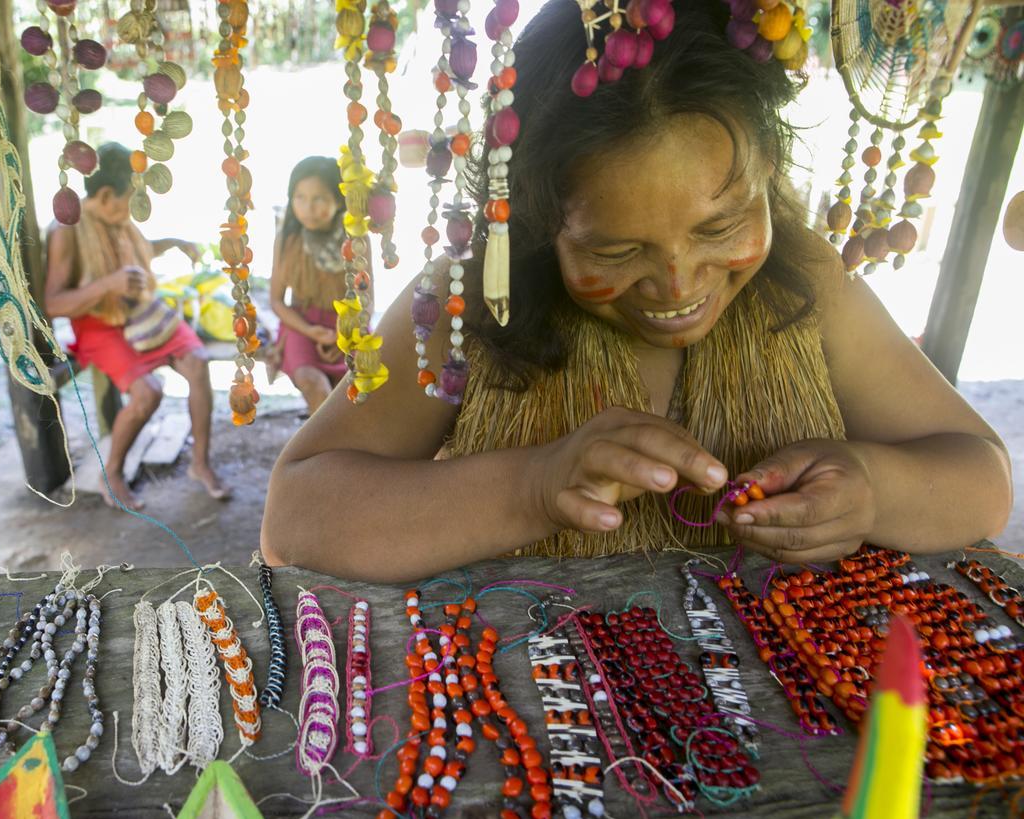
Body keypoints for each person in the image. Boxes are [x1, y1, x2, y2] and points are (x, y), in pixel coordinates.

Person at [261, 0, 1013, 581]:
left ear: (771, 178)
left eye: (721, 228)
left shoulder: (804, 281)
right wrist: (532, 487)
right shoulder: (466, 303)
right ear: (532, 221)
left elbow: (980, 477)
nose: (679, 283)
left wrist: (875, 490)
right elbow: (295, 516)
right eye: (615, 249)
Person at [45, 142, 230, 507]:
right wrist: (108, 285)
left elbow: (139, 250)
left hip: (144, 312)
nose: (136, 206)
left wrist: (174, 243)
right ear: (106, 194)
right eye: (131, 197)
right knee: (148, 393)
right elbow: (52, 302)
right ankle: (112, 471)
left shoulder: (118, 216)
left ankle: (200, 463)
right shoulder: (67, 226)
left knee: (197, 362)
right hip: (98, 324)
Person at [268, 156, 360, 414]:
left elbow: (367, 298)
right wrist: (312, 332)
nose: (307, 207)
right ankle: (325, 453)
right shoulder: (287, 239)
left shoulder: (355, 238)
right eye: (300, 197)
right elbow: (276, 301)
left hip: (348, 327)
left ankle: (332, 450)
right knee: (315, 385)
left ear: (338, 200)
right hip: (300, 326)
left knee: (349, 397)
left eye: (318, 198)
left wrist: (344, 337)